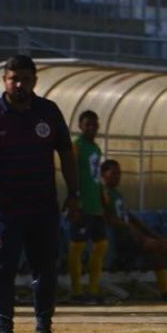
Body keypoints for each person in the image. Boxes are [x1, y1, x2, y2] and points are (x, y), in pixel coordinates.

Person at [0, 54, 79, 333]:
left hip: (43, 209)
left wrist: (74, 195)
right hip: (5, 211)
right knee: (3, 271)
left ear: (34, 81)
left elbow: (66, 155)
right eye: (14, 79)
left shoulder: (48, 113)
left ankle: (43, 328)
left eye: (25, 79)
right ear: (4, 81)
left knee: (45, 269)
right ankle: (5, 332)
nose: (20, 84)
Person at [99, 160, 167, 300]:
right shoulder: (102, 193)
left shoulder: (116, 194)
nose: (117, 177)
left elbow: (128, 215)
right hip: (121, 239)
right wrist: (130, 228)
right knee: (157, 246)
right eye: (113, 173)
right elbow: (108, 218)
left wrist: (151, 233)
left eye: (119, 173)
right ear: (103, 175)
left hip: (132, 236)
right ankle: (165, 291)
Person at [68, 110, 108, 303]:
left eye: (94, 124)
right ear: (80, 126)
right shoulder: (77, 146)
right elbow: (72, 172)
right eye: (88, 124)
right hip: (82, 203)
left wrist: (103, 201)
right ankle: (76, 291)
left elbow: (97, 178)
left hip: (95, 205)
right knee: (77, 246)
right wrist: (74, 199)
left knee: (101, 244)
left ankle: (93, 289)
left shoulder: (96, 148)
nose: (92, 128)